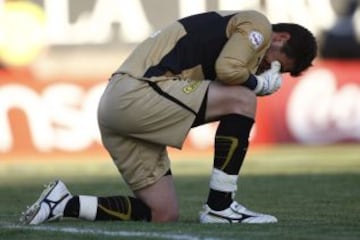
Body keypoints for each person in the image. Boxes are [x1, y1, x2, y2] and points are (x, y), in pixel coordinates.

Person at [20, 10, 317, 224]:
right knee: (242, 98)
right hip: (138, 93)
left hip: (118, 103)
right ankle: (220, 207)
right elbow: (228, 70)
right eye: (276, 64)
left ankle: (64, 203)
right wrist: (256, 84)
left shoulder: (239, 39)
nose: (269, 69)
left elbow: (226, 70)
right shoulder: (259, 24)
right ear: (280, 36)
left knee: (162, 213)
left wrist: (252, 80)